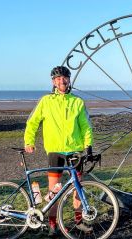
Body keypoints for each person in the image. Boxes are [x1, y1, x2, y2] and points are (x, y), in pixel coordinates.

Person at [24, 66, 93, 236]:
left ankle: (78, 221)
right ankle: (53, 225)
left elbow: (86, 126)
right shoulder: (46, 101)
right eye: (57, 79)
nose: (61, 81)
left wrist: (88, 146)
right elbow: (32, 122)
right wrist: (29, 142)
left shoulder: (77, 102)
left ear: (69, 80)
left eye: (64, 78)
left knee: (78, 189)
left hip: (75, 152)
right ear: (53, 82)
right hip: (55, 152)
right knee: (54, 190)